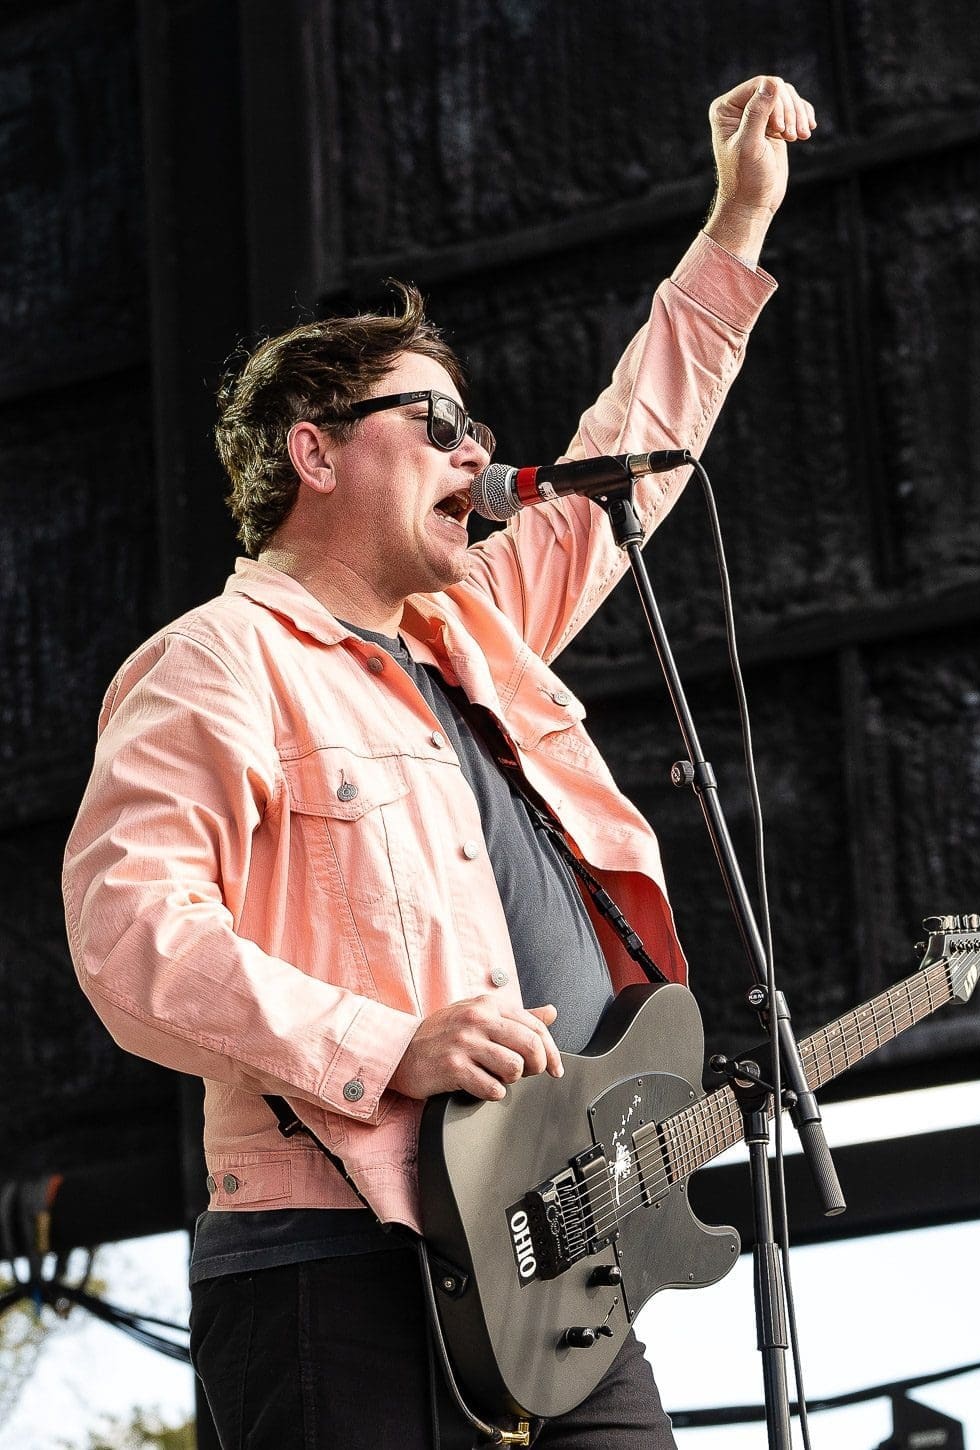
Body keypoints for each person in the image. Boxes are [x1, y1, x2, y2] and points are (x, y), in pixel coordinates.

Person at [62, 74, 815, 1450]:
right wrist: (387, 1045)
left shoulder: (475, 633)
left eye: (474, 428)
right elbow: (129, 936)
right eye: (437, 423)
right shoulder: (217, 663)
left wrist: (738, 223)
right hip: (337, 1258)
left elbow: (623, 465)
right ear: (315, 451)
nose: (477, 453)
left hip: (553, 1253)